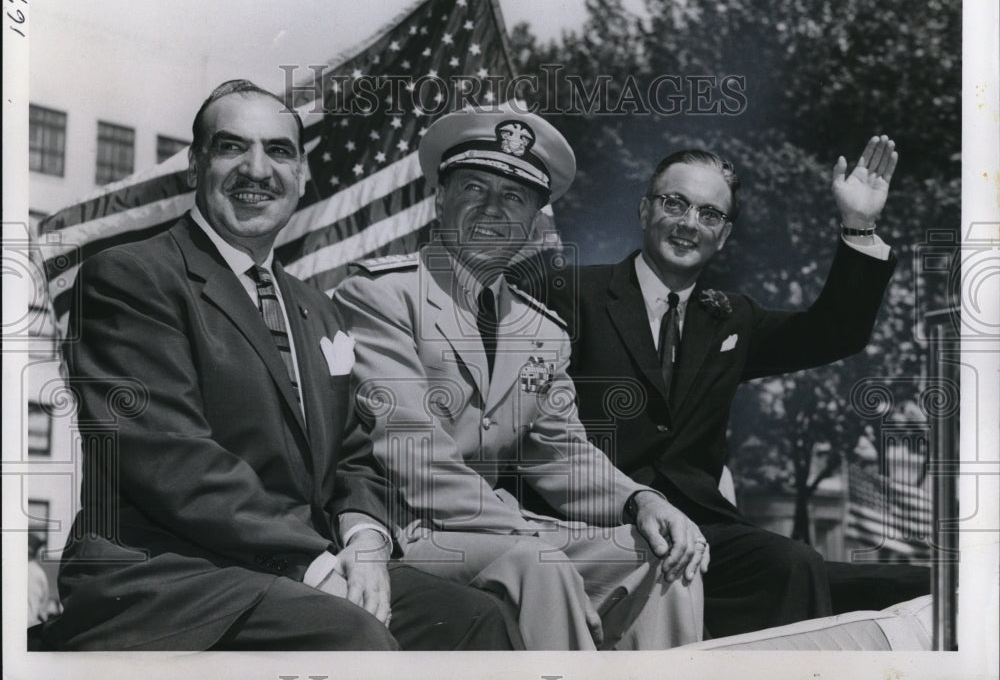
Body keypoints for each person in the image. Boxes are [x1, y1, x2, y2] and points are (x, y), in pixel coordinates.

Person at [43, 80, 515, 651]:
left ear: (302, 173)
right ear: (195, 166)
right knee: (352, 636)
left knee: (472, 617)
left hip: (293, 570)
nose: (257, 169)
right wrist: (316, 564)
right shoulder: (132, 277)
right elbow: (171, 459)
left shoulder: (316, 308)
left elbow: (351, 456)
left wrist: (364, 539)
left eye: (279, 151)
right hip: (165, 575)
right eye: (231, 147)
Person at [334, 104, 705, 651]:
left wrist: (641, 502)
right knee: (538, 560)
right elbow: (412, 454)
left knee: (665, 560)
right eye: (474, 188)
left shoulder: (543, 329)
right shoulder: (381, 295)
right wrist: (530, 528)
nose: (492, 210)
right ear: (440, 198)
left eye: (513, 197)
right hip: (407, 534)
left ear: (533, 219)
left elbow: (562, 456)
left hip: (504, 534)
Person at [529, 141, 901, 638]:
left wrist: (858, 225)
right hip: (596, 523)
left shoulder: (731, 317)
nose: (689, 223)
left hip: (703, 530)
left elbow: (834, 333)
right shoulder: (569, 294)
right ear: (645, 209)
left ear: (722, 235)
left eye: (709, 214)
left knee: (791, 563)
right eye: (674, 203)